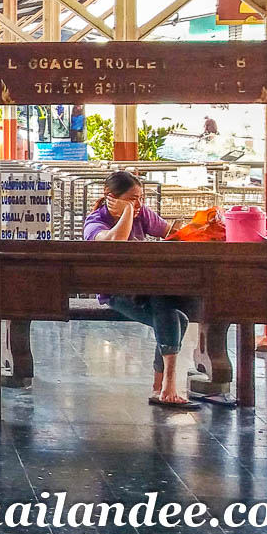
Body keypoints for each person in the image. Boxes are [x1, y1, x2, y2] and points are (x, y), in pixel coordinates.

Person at [83, 170, 196, 409]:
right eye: (133, 198)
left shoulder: (141, 213)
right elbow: (116, 242)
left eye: (141, 198)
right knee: (173, 317)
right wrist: (125, 212)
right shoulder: (96, 221)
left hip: (146, 287)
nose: (139, 204)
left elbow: (169, 232)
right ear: (110, 196)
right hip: (116, 293)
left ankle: (162, 387)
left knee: (167, 305)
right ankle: (166, 386)